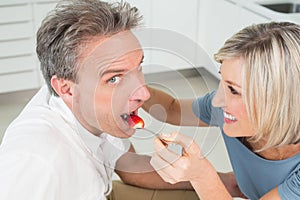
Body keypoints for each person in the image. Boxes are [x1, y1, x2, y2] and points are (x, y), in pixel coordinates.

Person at [0, 0, 241, 199]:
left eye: (138, 67)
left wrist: (220, 181)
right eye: (114, 79)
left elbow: (129, 167)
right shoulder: (36, 162)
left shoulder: (95, 107)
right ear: (66, 89)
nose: (144, 94)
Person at [145, 21, 300, 199]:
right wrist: (134, 88)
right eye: (223, 82)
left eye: (234, 90)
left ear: (281, 101)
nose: (217, 101)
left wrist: (201, 176)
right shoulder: (227, 111)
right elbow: (173, 109)